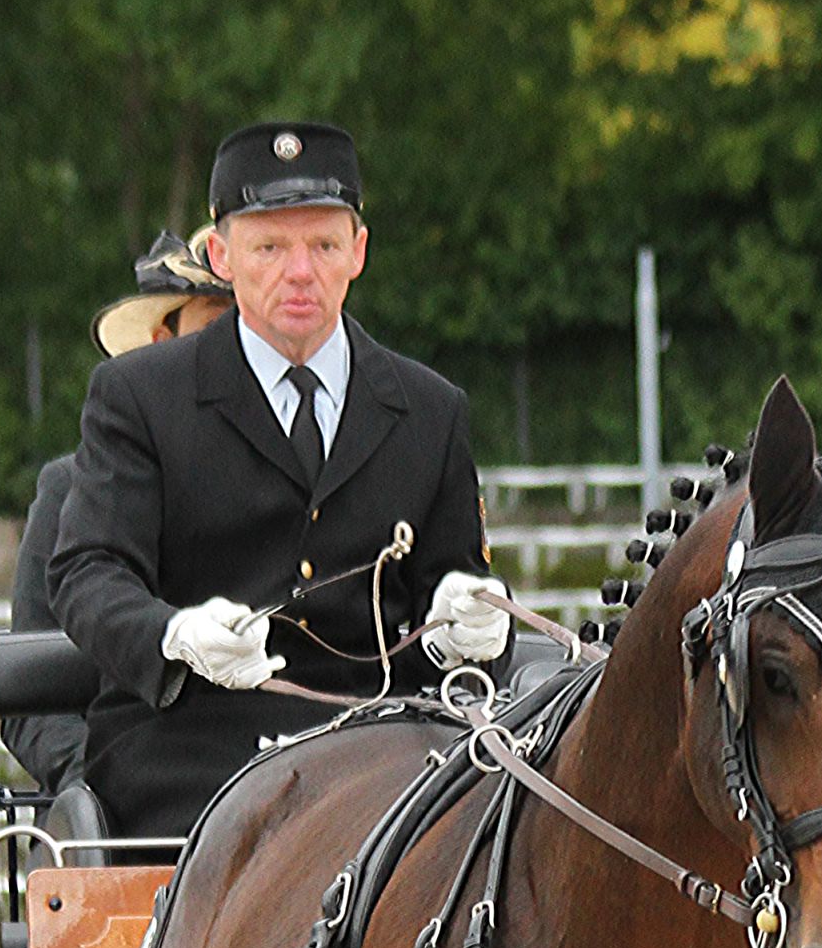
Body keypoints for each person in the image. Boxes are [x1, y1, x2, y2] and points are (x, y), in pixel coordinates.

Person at [48, 119, 510, 836]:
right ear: (221, 256)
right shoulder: (140, 395)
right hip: (189, 749)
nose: (300, 272)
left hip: (379, 747)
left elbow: (448, 589)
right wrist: (173, 634)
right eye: (269, 247)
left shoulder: (429, 409)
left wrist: (469, 624)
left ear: (358, 252)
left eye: (323, 245)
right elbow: (87, 572)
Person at [3, 233, 233, 793]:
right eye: (217, 329)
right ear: (161, 342)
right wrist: (106, 782)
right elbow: (29, 697)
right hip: (128, 802)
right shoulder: (70, 490)